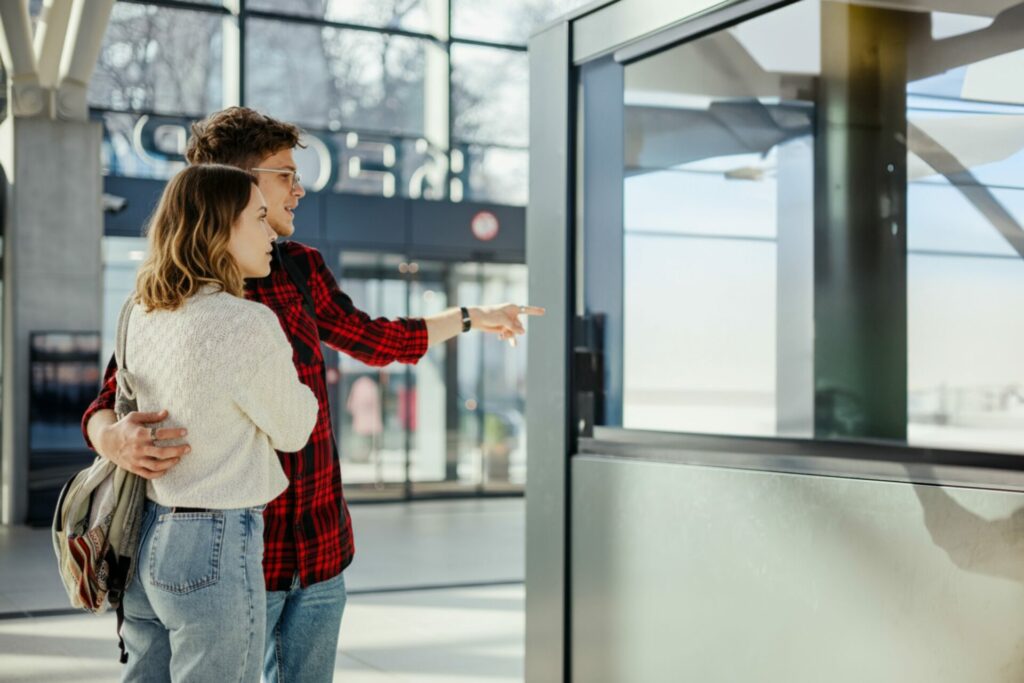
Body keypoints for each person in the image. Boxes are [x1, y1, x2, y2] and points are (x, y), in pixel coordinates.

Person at [82, 106, 545, 682]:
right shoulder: (169, 290)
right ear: (236, 183)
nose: (298, 189)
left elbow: (377, 338)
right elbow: (108, 398)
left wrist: (473, 317)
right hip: (233, 553)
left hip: (319, 547)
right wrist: (114, 438)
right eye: (284, 174)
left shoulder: (298, 267)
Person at [117, 164, 319, 681]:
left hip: (146, 534)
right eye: (258, 217)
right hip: (216, 542)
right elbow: (295, 428)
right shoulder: (246, 323)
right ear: (220, 226)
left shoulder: (142, 311)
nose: (271, 230)